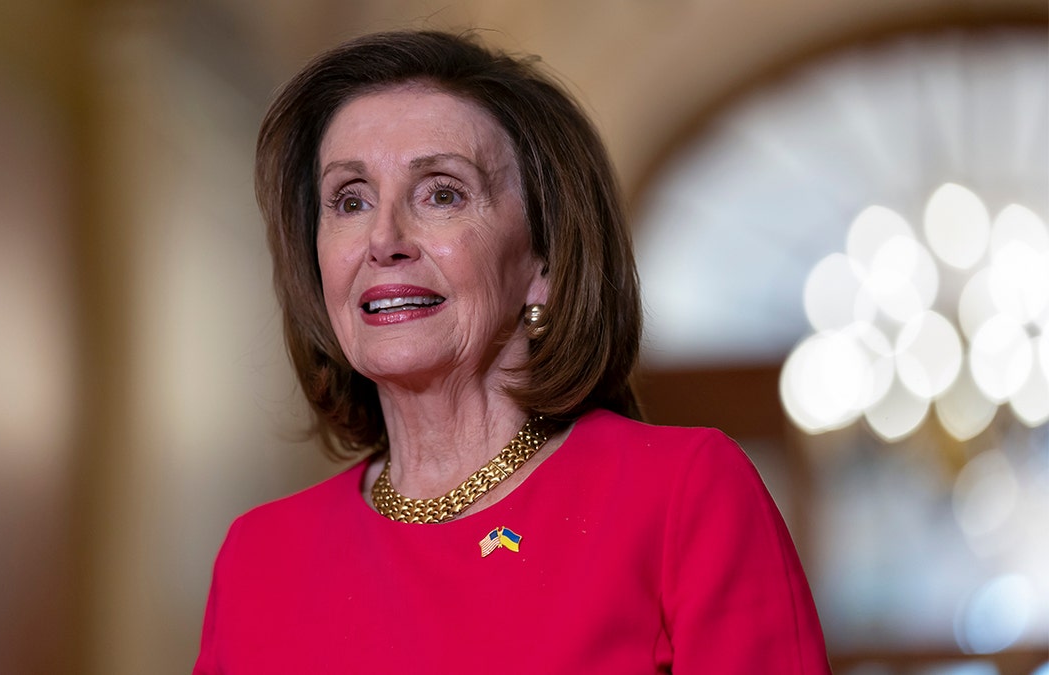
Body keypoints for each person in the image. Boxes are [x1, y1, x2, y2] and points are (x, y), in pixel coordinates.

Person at [194, 29, 830, 674]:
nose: (383, 239)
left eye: (442, 193)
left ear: (545, 260)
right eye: (350, 200)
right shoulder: (259, 555)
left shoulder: (681, 495)